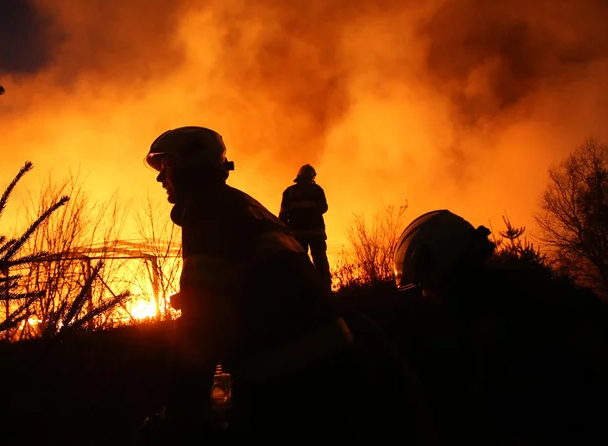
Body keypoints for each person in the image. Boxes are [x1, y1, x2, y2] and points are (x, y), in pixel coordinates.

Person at [138, 126, 433, 445]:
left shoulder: (207, 211)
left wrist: (177, 418)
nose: (160, 178)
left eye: (165, 166)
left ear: (188, 167)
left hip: (296, 388)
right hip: (335, 375)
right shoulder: (242, 207)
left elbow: (201, 328)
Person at [393, 209, 608, 446]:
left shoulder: (509, 319)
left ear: (450, 274)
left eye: (428, 286)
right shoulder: (511, 297)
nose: (427, 297)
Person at [279, 164, 332, 290]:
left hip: (297, 235)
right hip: (316, 234)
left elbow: (282, 215)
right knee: (320, 264)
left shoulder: (289, 192)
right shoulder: (317, 190)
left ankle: (302, 291)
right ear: (312, 177)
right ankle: (325, 290)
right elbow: (323, 208)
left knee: (300, 264)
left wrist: (285, 232)